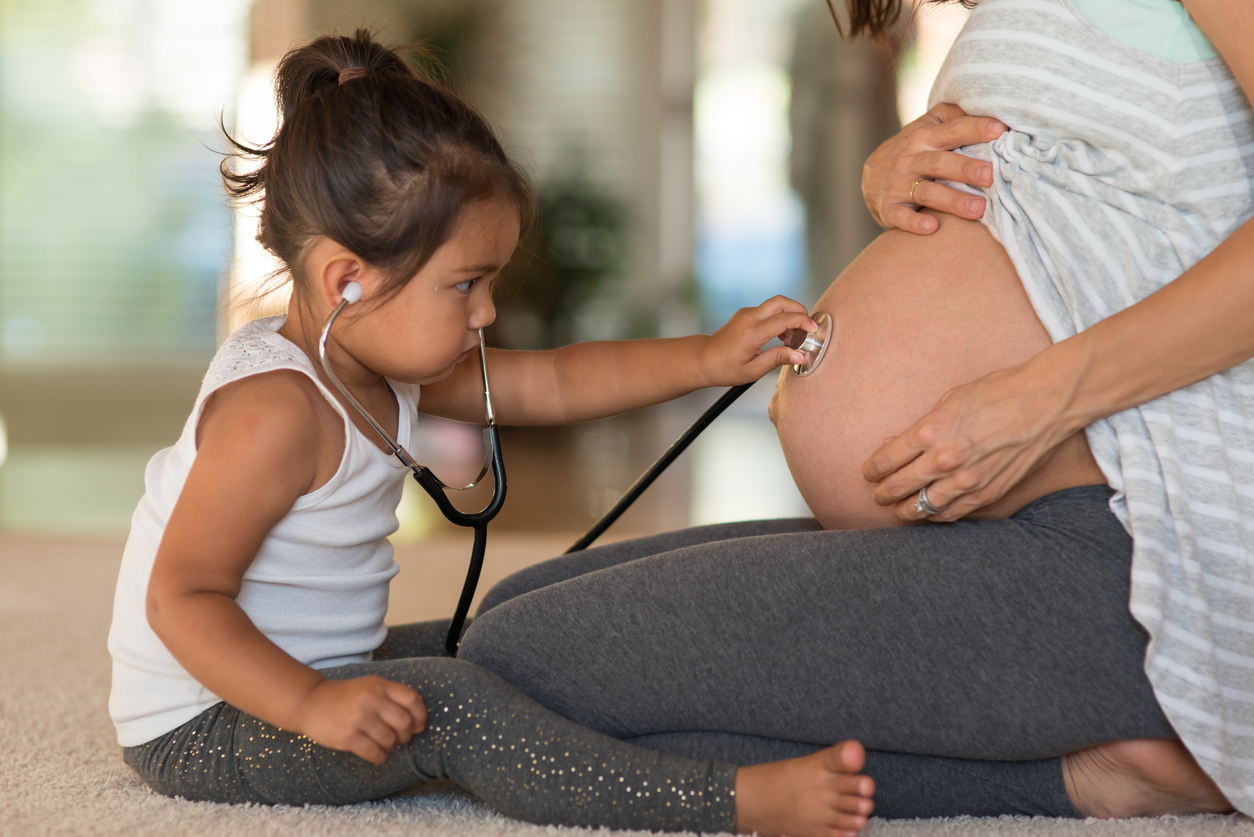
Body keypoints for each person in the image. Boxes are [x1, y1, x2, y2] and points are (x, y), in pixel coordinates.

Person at [456, 0, 1253, 825]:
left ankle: (1087, 780)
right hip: (1006, 529)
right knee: (516, 606)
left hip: (1142, 552)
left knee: (522, 663)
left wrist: (1042, 399)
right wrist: (900, 173)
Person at [105, 30, 881, 837]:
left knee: (510, 642)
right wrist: (313, 704)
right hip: (206, 722)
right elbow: (181, 597)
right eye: (465, 285)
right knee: (457, 709)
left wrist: (708, 357)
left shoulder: (374, 357)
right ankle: (730, 800)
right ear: (348, 279)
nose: (488, 312)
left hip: (322, 671)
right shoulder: (274, 414)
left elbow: (551, 380)